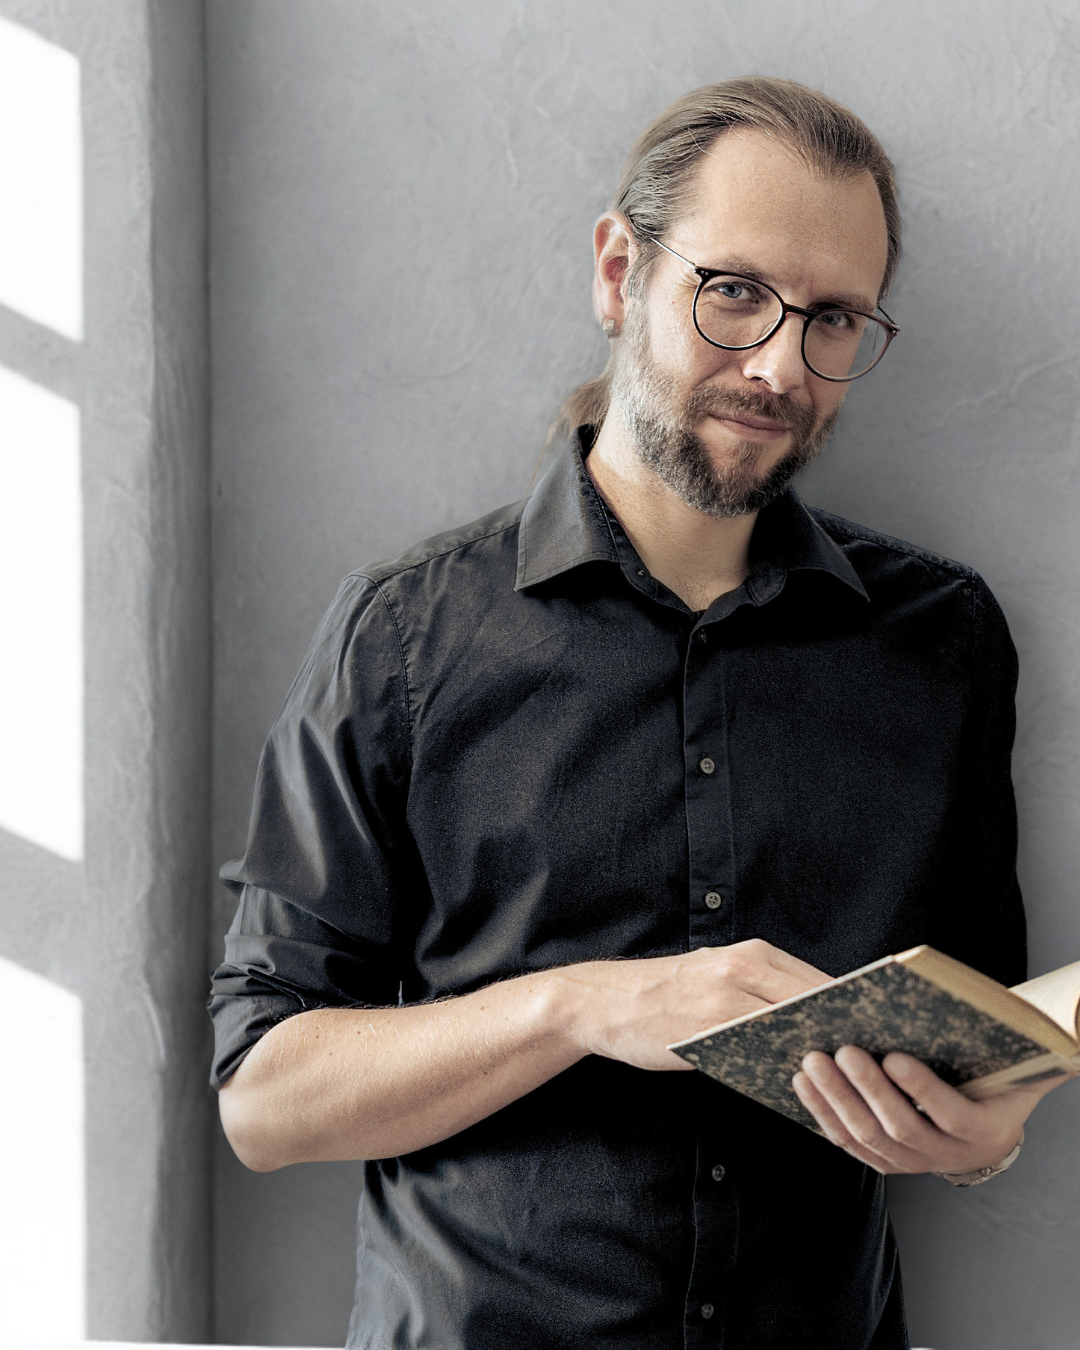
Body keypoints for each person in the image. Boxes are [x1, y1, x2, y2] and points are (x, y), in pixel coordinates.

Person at [208, 77, 1063, 1349]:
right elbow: (265, 1101)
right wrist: (584, 1005)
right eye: (735, 293)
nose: (779, 366)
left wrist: (986, 1137)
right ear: (621, 272)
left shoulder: (941, 641)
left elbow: (971, 1029)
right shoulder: (402, 635)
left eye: (833, 319)